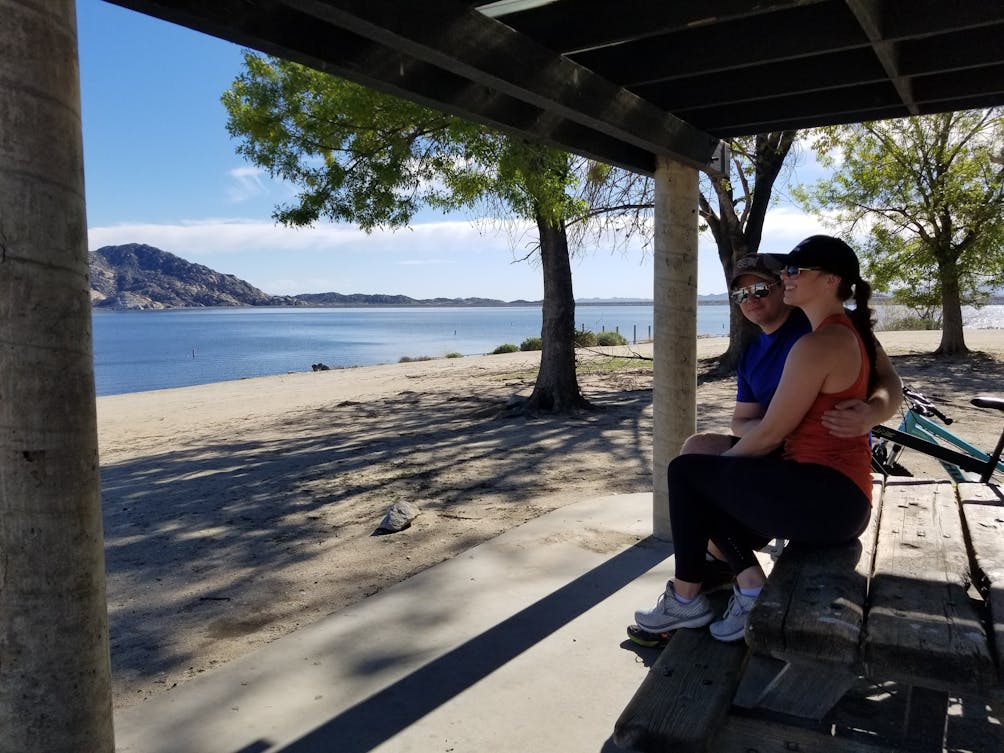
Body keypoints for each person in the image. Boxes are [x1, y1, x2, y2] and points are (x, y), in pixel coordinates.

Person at [635, 235, 881, 642]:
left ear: (830, 279)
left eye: (794, 270)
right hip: (835, 497)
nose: (787, 277)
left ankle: (694, 595)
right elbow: (750, 425)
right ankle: (736, 580)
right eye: (785, 270)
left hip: (828, 500)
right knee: (700, 473)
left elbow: (768, 434)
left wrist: (708, 480)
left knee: (688, 475)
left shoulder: (816, 343)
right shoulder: (829, 335)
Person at [678, 252, 901, 593]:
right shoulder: (752, 353)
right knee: (698, 448)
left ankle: (706, 584)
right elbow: (742, 421)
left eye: (760, 289)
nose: (749, 299)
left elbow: (890, 381)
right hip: (779, 451)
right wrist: (778, 432)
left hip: (824, 469)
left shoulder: (819, 328)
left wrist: (873, 412)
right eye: (740, 294)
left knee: (696, 479)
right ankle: (724, 567)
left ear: (784, 286)